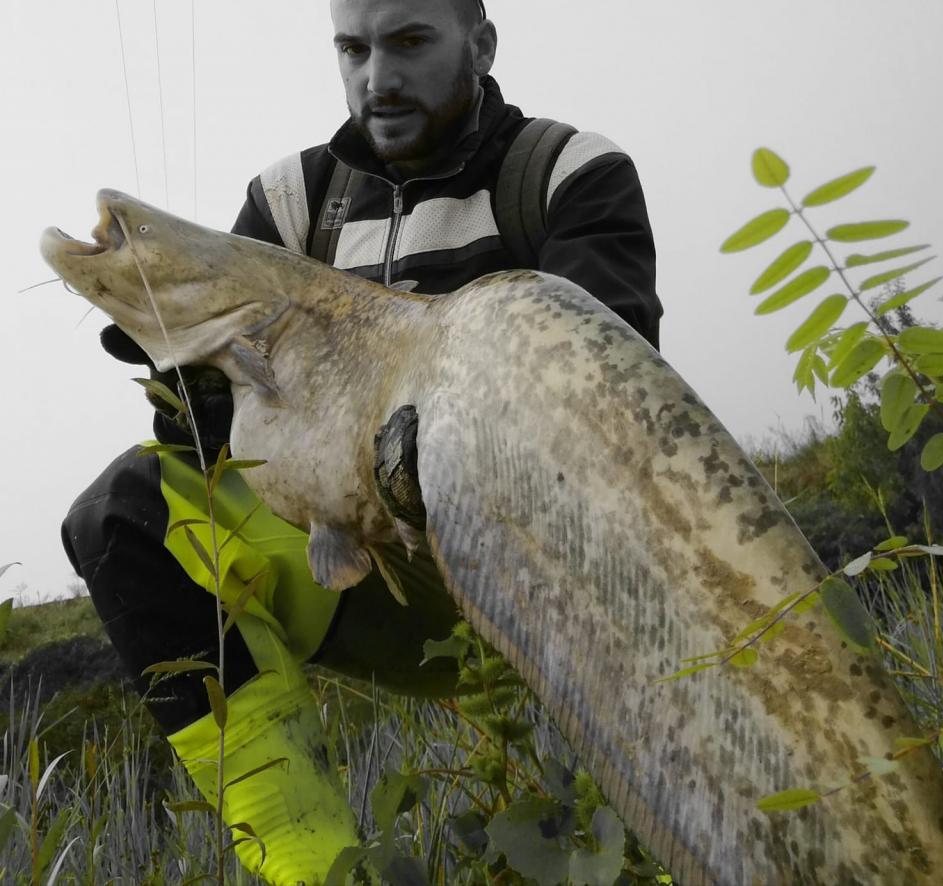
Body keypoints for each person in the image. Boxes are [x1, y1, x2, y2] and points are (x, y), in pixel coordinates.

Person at [61, 0, 662, 882]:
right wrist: (188, 382)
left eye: (410, 42)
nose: (377, 78)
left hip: (556, 585)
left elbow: (610, 405)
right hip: (366, 578)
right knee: (125, 510)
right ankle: (316, 868)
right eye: (353, 48)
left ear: (481, 43)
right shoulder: (289, 199)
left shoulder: (568, 173)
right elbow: (218, 445)